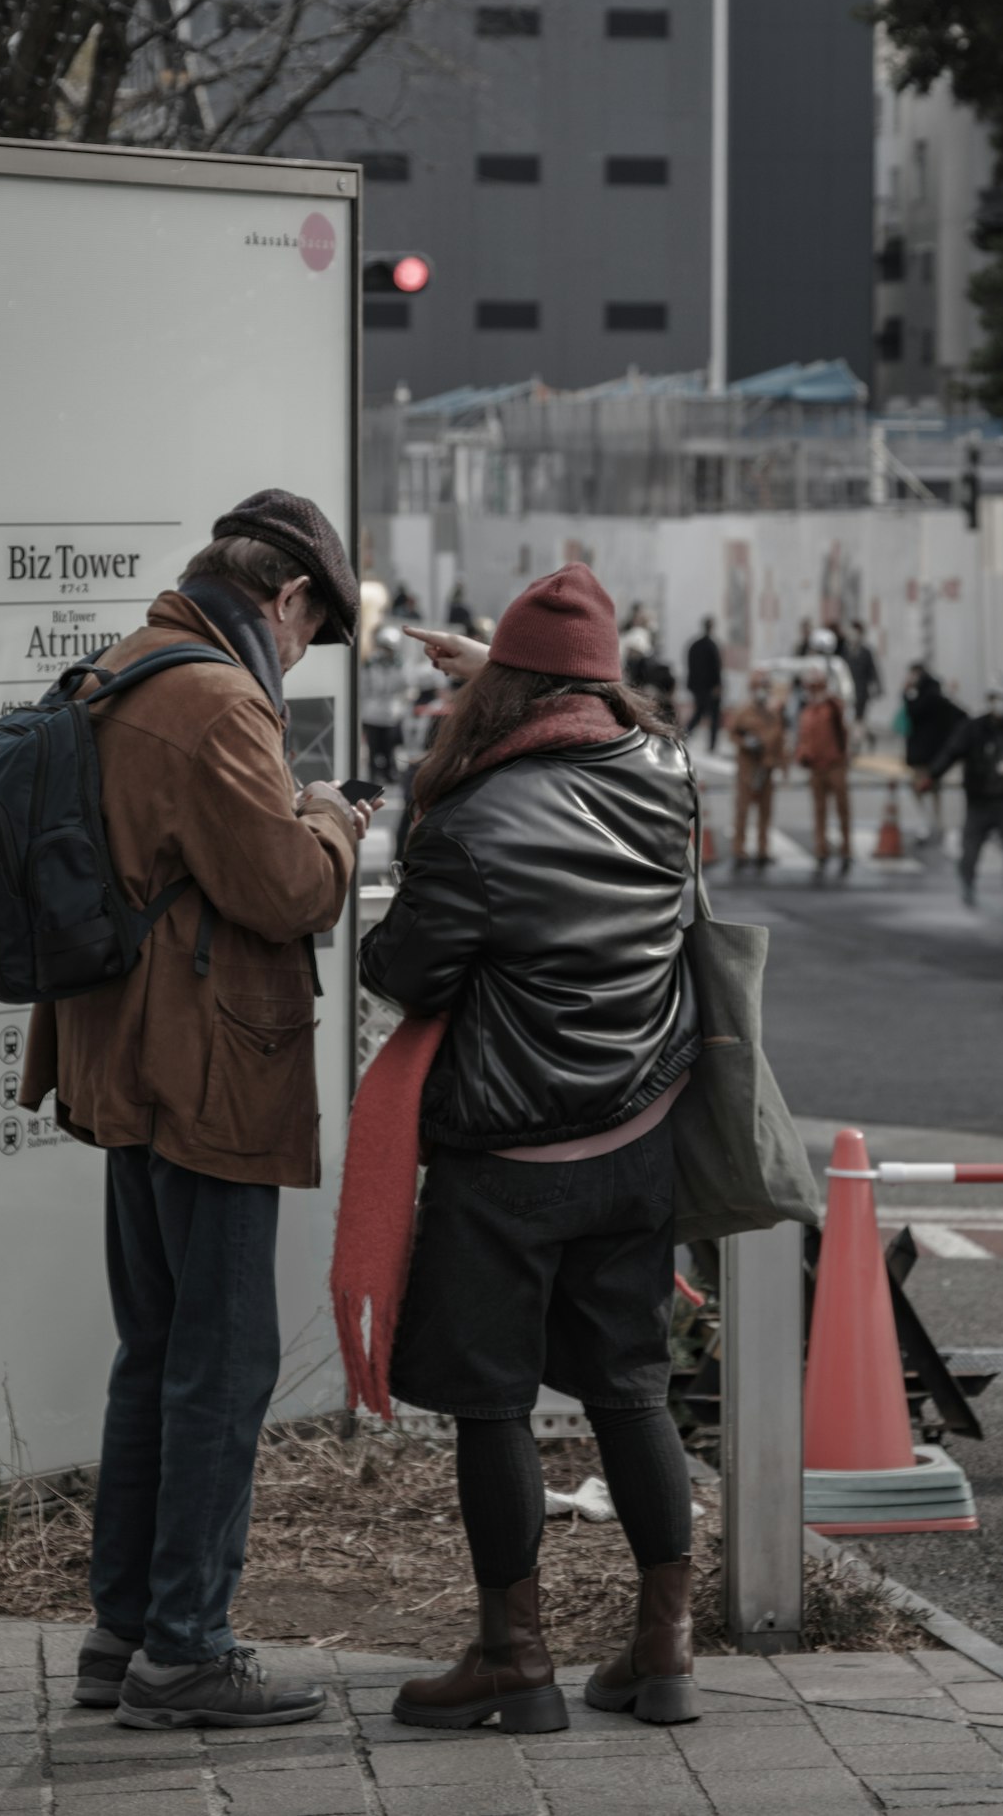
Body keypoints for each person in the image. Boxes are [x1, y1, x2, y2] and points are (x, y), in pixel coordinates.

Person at [18, 491, 375, 1726]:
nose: (301, 652)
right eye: (311, 630)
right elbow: (284, 892)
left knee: (156, 1354)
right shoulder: (218, 698)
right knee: (221, 1367)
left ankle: (123, 1637)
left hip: (121, 1058)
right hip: (209, 1071)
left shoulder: (126, 664)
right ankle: (189, 1650)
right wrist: (332, 815)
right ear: (285, 600)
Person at [360, 567, 704, 1730]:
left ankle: (515, 1656)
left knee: (493, 1406)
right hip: (637, 1142)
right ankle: (664, 1650)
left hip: (506, 1164)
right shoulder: (670, 780)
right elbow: (576, 715)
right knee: (629, 1392)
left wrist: (460, 744)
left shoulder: (473, 816)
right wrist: (503, 670)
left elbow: (405, 972)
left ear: (506, 691)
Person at [919, 677, 1003, 909]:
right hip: (979, 798)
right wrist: (932, 775)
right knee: (970, 847)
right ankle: (967, 886)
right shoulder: (975, 728)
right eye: (1000, 699)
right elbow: (952, 751)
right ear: (990, 700)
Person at [727, 668, 787, 866]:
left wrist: (782, 765)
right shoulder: (744, 711)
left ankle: (763, 848)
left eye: (764, 687)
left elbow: (780, 739)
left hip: (767, 767)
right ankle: (739, 847)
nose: (762, 691)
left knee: (766, 810)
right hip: (748, 767)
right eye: (758, 687)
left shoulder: (773, 713)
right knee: (743, 809)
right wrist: (746, 742)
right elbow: (733, 734)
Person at [901, 663, 967, 837]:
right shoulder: (938, 697)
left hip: (921, 754)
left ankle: (929, 822)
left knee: (920, 786)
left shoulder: (922, 698)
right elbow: (961, 716)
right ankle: (935, 822)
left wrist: (906, 693)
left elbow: (912, 712)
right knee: (933, 788)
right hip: (936, 754)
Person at [796, 664, 851, 870]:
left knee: (842, 808)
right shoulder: (807, 712)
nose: (813, 691)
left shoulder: (832, 707)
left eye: (815, 687)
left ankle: (846, 847)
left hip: (835, 764)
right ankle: (821, 848)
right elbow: (803, 739)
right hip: (816, 767)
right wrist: (802, 756)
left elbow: (843, 728)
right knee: (819, 810)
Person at [361, 621, 406, 782]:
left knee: (390, 748)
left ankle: (390, 773)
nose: (387, 652)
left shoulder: (400, 665)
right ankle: (373, 775)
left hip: (391, 713)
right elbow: (364, 687)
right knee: (373, 748)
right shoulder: (370, 664)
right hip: (372, 713)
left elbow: (405, 685)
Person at [685, 616, 723, 752]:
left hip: (697, 687)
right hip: (709, 688)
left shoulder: (695, 645)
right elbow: (716, 668)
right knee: (712, 716)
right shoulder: (711, 646)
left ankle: (685, 735)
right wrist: (717, 686)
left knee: (699, 713)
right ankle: (711, 745)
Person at [843, 619, 882, 747]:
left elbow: (873, 670)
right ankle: (865, 737)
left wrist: (876, 687)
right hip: (847, 690)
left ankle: (856, 744)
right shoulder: (845, 650)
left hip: (861, 690)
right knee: (850, 718)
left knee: (859, 718)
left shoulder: (866, 652)